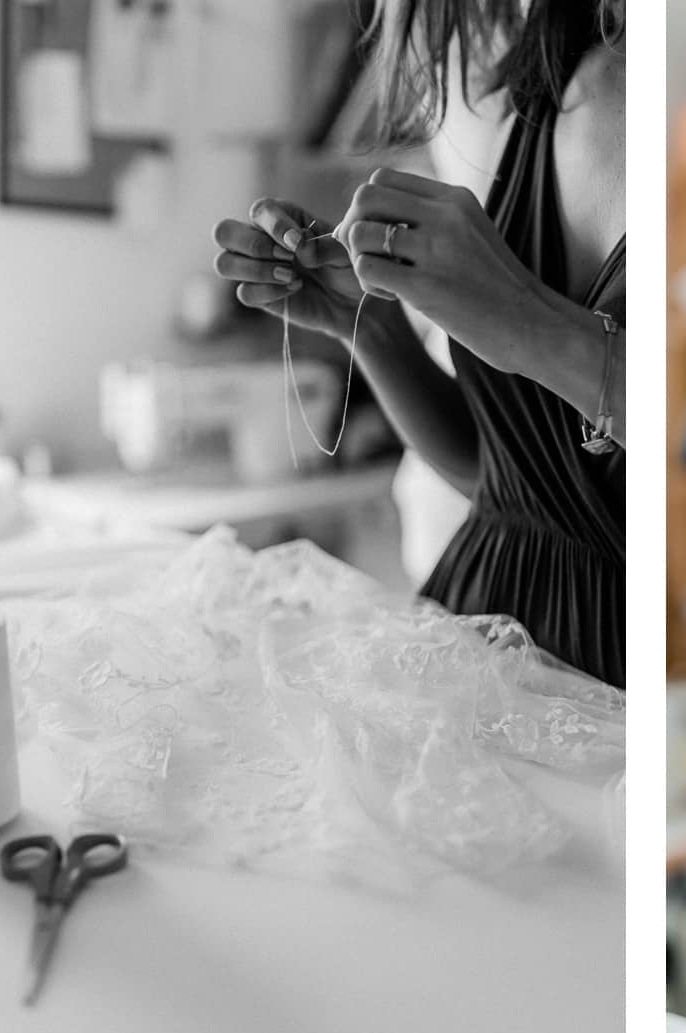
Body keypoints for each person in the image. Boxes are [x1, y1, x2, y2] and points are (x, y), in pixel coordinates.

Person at [212, 1, 626, 687]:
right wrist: (368, 325)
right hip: (470, 642)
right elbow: (509, 484)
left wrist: (527, 318)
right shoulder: (516, 97)